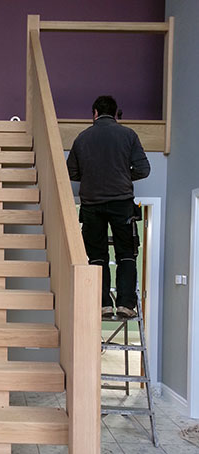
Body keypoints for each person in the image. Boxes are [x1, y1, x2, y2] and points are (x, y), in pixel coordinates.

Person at [66, 95, 151, 319]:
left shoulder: (82, 138)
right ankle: (125, 304)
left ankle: (102, 304)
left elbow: (71, 172)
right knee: (126, 254)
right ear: (115, 114)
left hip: (91, 205)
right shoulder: (128, 135)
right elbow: (144, 170)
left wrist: (93, 177)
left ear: (94, 113)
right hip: (121, 203)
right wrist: (123, 175)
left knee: (96, 257)